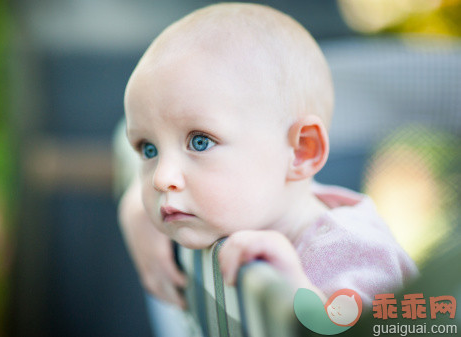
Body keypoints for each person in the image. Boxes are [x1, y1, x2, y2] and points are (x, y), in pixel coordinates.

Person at [117, 2, 417, 331]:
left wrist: (296, 294)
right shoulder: (236, 205)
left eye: (200, 141)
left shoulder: (352, 251)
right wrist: (135, 206)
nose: (161, 178)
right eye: (148, 149)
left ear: (302, 151)